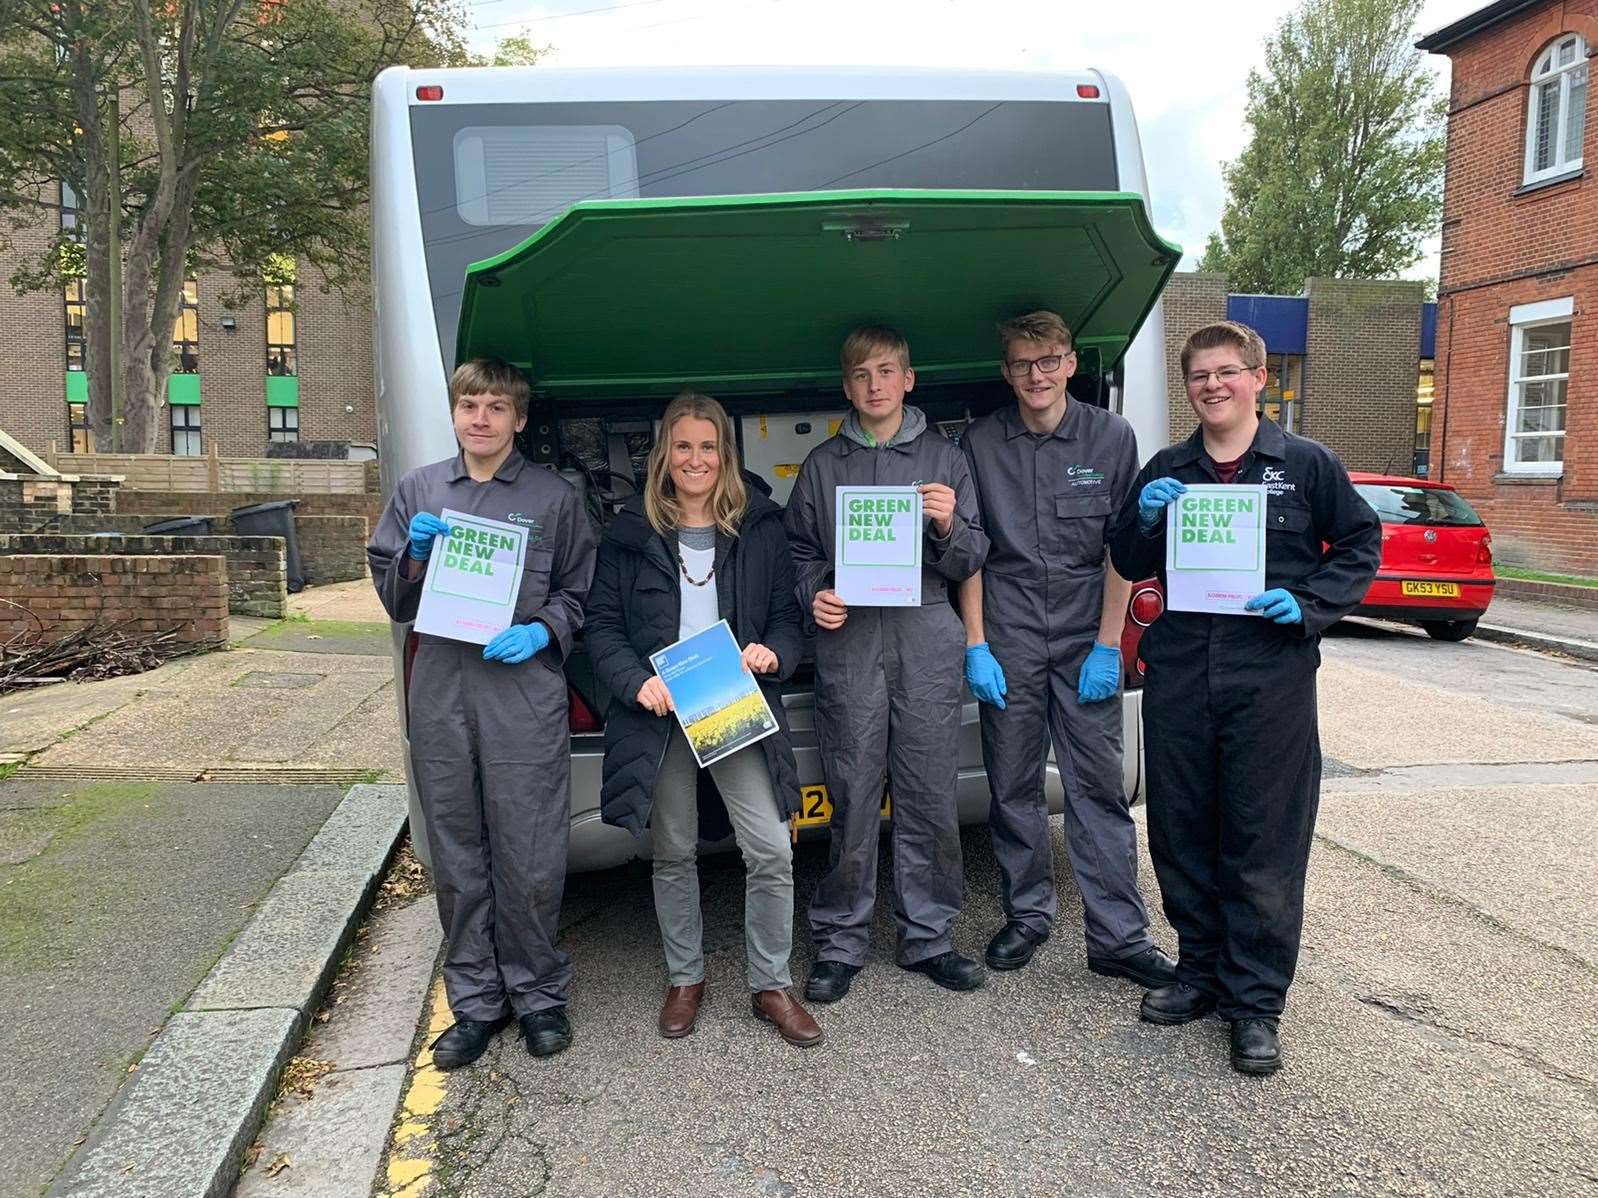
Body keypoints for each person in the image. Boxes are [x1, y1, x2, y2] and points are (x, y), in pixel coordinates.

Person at [1107, 320, 1380, 1075]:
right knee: (1183, 829)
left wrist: (1313, 602)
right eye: (1199, 376)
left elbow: (1360, 544)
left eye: (1227, 372)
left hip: (1270, 679)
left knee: (1264, 837)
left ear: (1260, 378)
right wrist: (1144, 516)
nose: (1212, 386)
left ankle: (1255, 1002)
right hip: (1182, 675)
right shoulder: (1168, 466)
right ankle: (1198, 970)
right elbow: (1127, 557)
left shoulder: (1306, 465)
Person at [367, 358, 596, 1068]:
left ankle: (537, 994)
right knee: (460, 854)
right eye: (471, 404)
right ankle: (476, 1001)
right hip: (442, 694)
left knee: (528, 854)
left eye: (498, 406)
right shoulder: (420, 490)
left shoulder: (554, 497)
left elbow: (581, 592)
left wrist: (542, 629)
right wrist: (412, 558)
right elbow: (392, 597)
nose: (482, 418)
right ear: (456, 412)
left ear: (519, 420)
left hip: (521, 693)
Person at [586, 392, 822, 1048]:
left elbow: (786, 617)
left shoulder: (761, 526)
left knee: (771, 848)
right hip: (660, 710)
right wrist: (638, 682)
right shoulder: (631, 532)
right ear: (666, 452)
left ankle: (771, 984)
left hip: (730, 701)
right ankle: (686, 978)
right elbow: (601, 626)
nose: (696, 460)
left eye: (708, 447)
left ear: (726, 454)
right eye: (683, 446)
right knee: (674, 850)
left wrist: (776, 651)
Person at [956, 311, 1177, 987]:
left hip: (1087, 635)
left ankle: (1119, 936)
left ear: (1071, 363)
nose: (1036, 376)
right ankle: (1027, 915)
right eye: (1022, 364)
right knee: (1014, 787)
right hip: (1011, 632)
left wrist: (1110, 645)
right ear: (1006, 372)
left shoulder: (1112, 437)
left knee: (1096, 790)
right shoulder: (979, 443)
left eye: (1048, 361)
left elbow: (1125, 547)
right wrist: (978, 645)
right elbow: (971, 552)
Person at [785, 324, 990, 1002]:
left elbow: (971, 559)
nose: (874, 385)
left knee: (930, 792)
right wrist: (817, 594)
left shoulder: (946, 459)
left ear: (909, 379)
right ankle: (841, 941)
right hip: (851, 644)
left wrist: (947, 525)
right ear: (847, 387)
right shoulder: (821, 466)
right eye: (860, 375)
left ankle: (928, 936)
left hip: (927, 634)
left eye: (886, 371)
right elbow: (800, 556)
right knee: (850, 790)